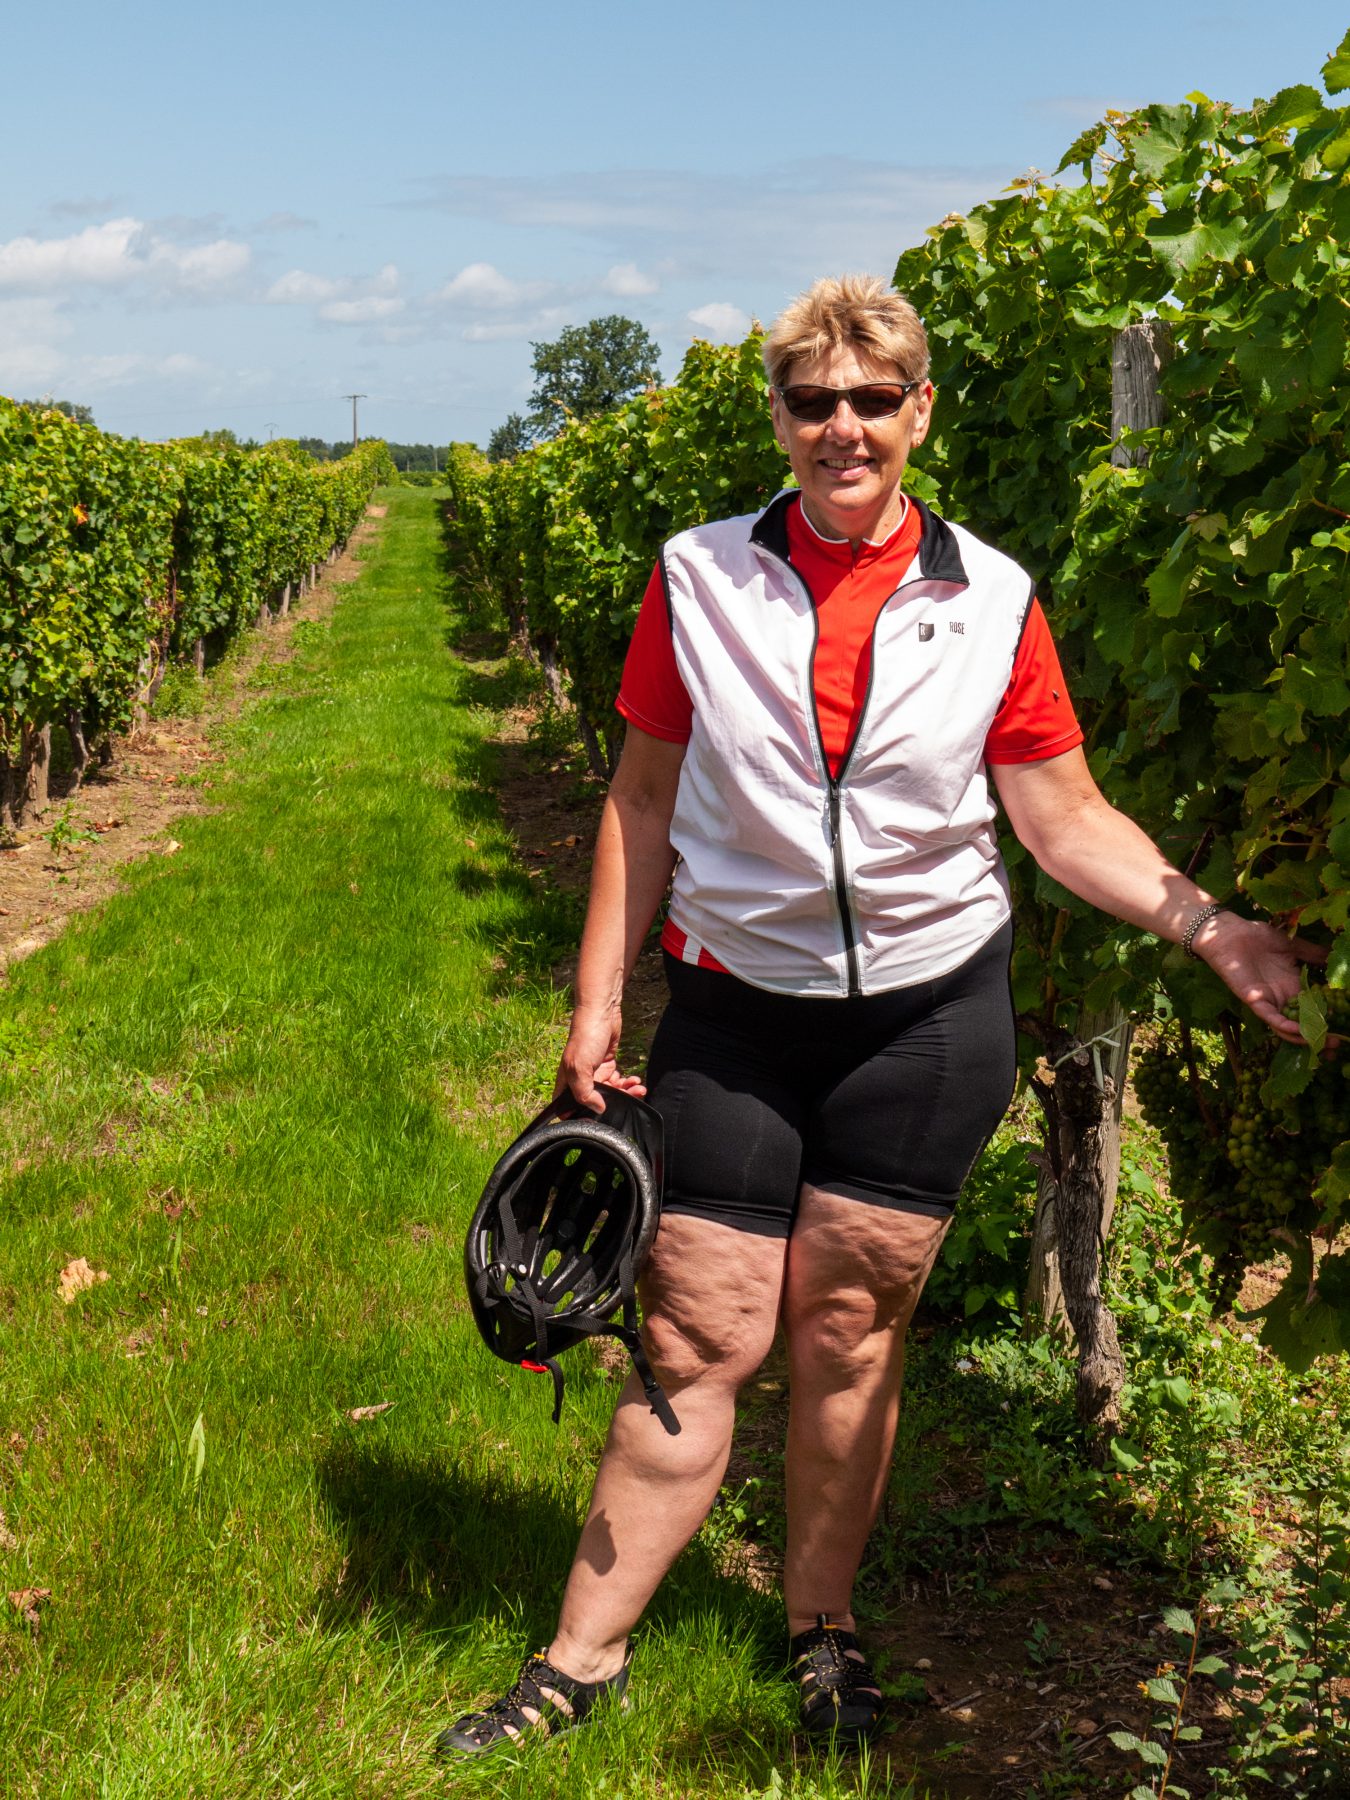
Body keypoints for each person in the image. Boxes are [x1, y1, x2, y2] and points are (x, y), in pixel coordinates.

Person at [437, 274, 1316, 1755]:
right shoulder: (699, 574)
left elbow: (1058, 816)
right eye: (810, 402)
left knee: (848, 1332)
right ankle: (580, 1656)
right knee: (696, 1335)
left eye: (870, 399)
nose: (840, 428)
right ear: (777, 419)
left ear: (917, 412)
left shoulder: (992, 598)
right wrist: (597, 1007)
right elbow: (641, 798)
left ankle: (819, 1623)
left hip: (924, 1018)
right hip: (732, 1011)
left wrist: (1207, 923)